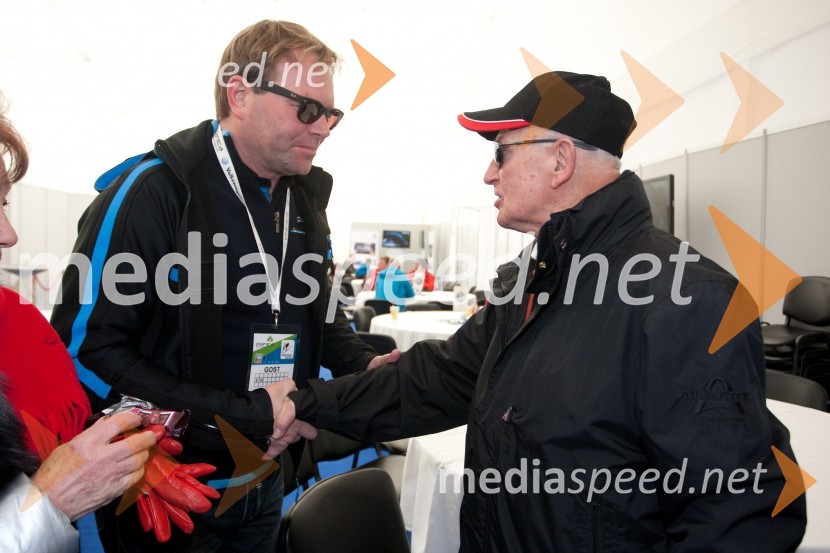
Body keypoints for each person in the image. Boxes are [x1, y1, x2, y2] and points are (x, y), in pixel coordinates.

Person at [277, 72, 807, 551]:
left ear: (560, 160)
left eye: (501, 153)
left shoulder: (685, 298)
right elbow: (435, 380)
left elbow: (737, 514)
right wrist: (303, 404)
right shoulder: (535, 283)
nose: (489, 174)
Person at [51, 20, 399, 552]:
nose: (323, 127)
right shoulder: (156, 192)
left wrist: (359, 361)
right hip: (163, 491)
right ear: (240, 94)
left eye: (332, 113)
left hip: (262, 477)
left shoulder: (303, 196)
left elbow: (316, 309)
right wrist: (243, 415)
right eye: (306, 109)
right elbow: (86, 350)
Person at [0, 93, 157, 553]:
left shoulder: (19, 318)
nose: (10, 235)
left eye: (5, 204)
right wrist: (48, 503)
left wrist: (118, 446)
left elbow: (63, 418)